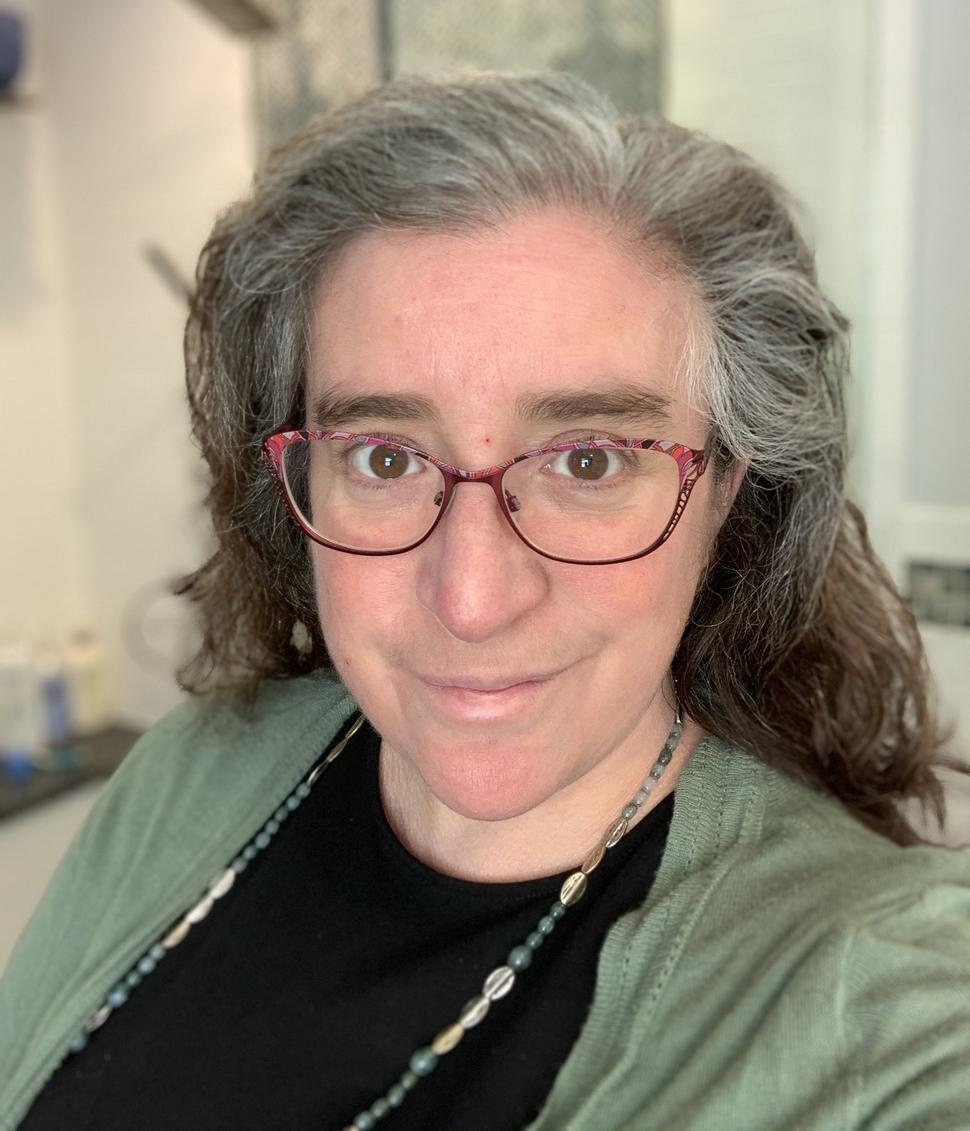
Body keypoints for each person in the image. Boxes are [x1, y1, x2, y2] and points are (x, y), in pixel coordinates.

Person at [2, 72, 968, 1131]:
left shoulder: (886, 1003)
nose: (470, 598)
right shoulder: (192, 768)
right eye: (382, 456)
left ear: (725, 493)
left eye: (590, 461)